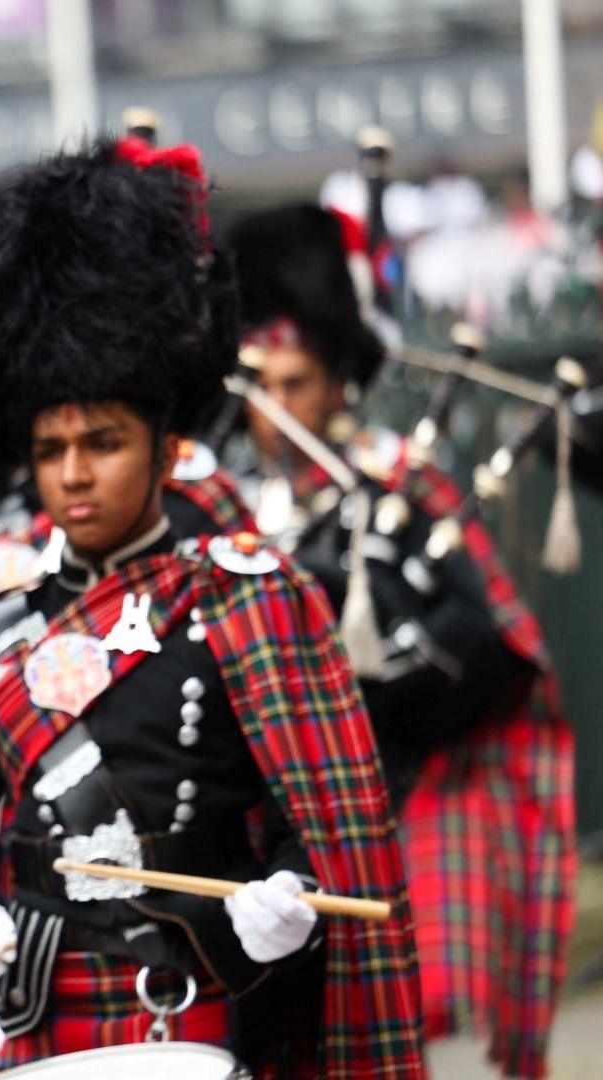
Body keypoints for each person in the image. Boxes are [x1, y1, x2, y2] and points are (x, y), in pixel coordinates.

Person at [0, 138, 423, 1076]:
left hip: (186, 1004)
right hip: (29, 1010)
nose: (73, 474)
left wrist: (284, 902)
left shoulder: (248, 599)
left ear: (163, 445)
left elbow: (316, 825)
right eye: (51, 448)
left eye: (103, 443)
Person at [226, 204, 575, 1079]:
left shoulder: (397, 478)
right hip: (266, 824)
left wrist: (385, 683)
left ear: (342, 377)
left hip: (405, 792)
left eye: (295, 382)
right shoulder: (228, 504)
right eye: (257, 383)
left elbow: (492, 645)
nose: (275, 408)